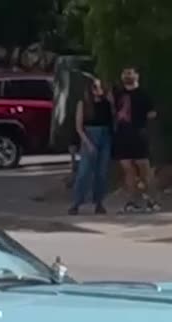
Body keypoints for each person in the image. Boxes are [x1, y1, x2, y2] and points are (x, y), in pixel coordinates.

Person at [110, 66, 159, 213]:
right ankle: (131, 202)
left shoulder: (143, 94)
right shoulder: (117, 94)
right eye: (125, 73)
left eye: (130, 73)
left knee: (145, 170)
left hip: (139, 135)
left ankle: (152, 200)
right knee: (128, 171)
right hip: (122, 136)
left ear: (137, 76)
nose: (127, 75)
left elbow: (152, 114)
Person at [68, 75, 114, 216]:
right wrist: (87, 143)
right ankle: (76, 203)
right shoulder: (84, 103)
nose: (98, 90)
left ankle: (99, 203)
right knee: (84, 172)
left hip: (105, 135)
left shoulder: (107, 103)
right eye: (95, 87)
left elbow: (113, 120)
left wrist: (111, 102)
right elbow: (78, 126)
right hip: (89, 135)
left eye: (100, 87)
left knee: (101, 173)